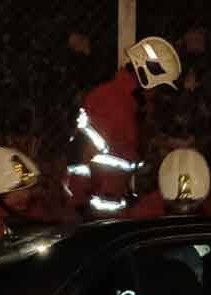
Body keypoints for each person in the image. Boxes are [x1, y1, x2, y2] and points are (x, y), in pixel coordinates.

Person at [63, 36, 182, 222]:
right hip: (97, 215)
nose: (158, 93)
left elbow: (119, 154)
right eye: (159, 86)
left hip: (107, 210)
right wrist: (80, 206)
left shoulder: (130, 104)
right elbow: (79, 155)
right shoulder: (111, 102)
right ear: (147, 76)